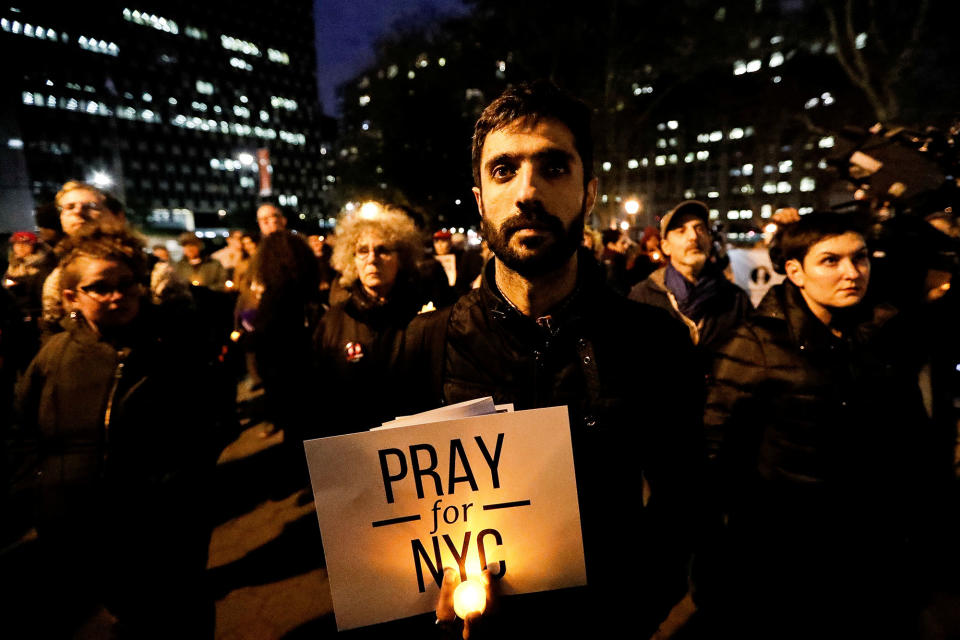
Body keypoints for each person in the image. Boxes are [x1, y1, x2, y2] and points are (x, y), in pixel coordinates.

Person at [401, 81, 703, 639]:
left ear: (589, 193)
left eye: (553, 168)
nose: (527, 192)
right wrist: (425, 592)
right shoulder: (426, 342)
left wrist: (638, 607)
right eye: (503, 170)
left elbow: (682, 497)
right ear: (479, 200)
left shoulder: (651, 340)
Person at [702, 212, 948, 638]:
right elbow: (713, 454)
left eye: (861, 258)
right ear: (795, 271)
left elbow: (915, 441)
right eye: (831, 261)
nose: (852, 273)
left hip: (879, 556)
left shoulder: (888, 334)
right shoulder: (756, 343)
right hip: (789, 562)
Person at [12, 229, 214, 637]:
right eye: (100, 288)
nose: (117, 296)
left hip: (164, 522)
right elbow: (22, 430)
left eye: (126, 285)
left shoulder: (170, 348)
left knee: (181, 611)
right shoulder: (54, 357)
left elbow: (210, 416)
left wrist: (183, 484)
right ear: (72, 296)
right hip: (83, 522)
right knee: (123, 611)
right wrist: (40, 490)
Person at [313, 207, 424, 435]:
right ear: (351, 259)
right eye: (362, 250)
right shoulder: (332, 321)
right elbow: (316, 394)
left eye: (383, 250)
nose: (372, 259)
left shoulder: (424, 317)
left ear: (401, 258)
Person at [629, 200, 750, 352]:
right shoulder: (642, 297)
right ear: (666, 247)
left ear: (709, 241)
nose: (693, 236)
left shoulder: (736, 299)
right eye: (681, 230)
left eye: (700, 229)